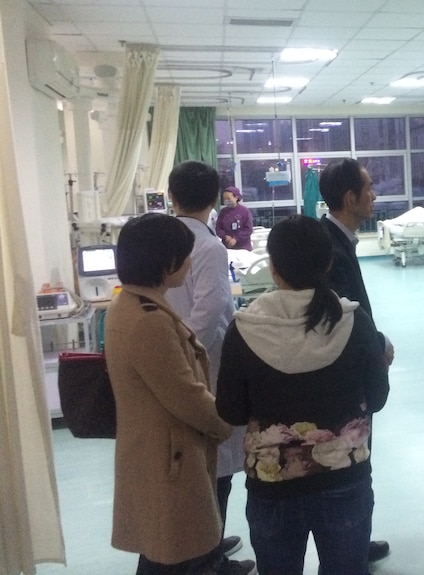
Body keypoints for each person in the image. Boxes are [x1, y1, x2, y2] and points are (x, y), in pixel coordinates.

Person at [215, 215, 390, 575]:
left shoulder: (245, 329)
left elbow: (231, 411)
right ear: (328, 263)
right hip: (344, 477)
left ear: (274, 267)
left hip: (272, 484)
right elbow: (377, 397)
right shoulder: (353, 323)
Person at [104, 213, 235, 574]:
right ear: (167, 263)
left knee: (161, 553)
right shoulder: (150, 321)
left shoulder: (128, 305)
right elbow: (187, 396)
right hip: (169, 459)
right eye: (185, 255)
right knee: (170, 557)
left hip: (155, 450)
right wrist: (230, 424)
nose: (190, 263)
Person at [164, 161, 253, 574]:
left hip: (175, 361)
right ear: (216, 197)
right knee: (217, 464)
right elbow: (214, 308)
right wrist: (188, 349)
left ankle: (210, 541)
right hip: (207, 365)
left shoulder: (166, 240)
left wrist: (171, 348)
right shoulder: (210, 246)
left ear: (172, 196)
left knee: (200, 462)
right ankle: (210, 557)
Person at [318, 158, 394, 562]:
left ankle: (354, 544)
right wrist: (375, 344)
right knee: (352, 461)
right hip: (347, 378)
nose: (374, 195)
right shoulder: (332, 248)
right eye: (368, 188)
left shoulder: (338, 240)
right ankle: (350, 550)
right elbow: (344, 315)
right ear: (350, 198)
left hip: (353, 367)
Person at [215, 186, 254, 250]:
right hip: (227, 247)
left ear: (236, 197)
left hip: (243, 247)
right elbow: (218, 228)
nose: (226, 201)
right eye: (224, 199)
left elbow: (248, 229)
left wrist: (236, 239)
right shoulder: (223, 212)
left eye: (228, 198)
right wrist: (225, 236)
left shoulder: (245, 211)